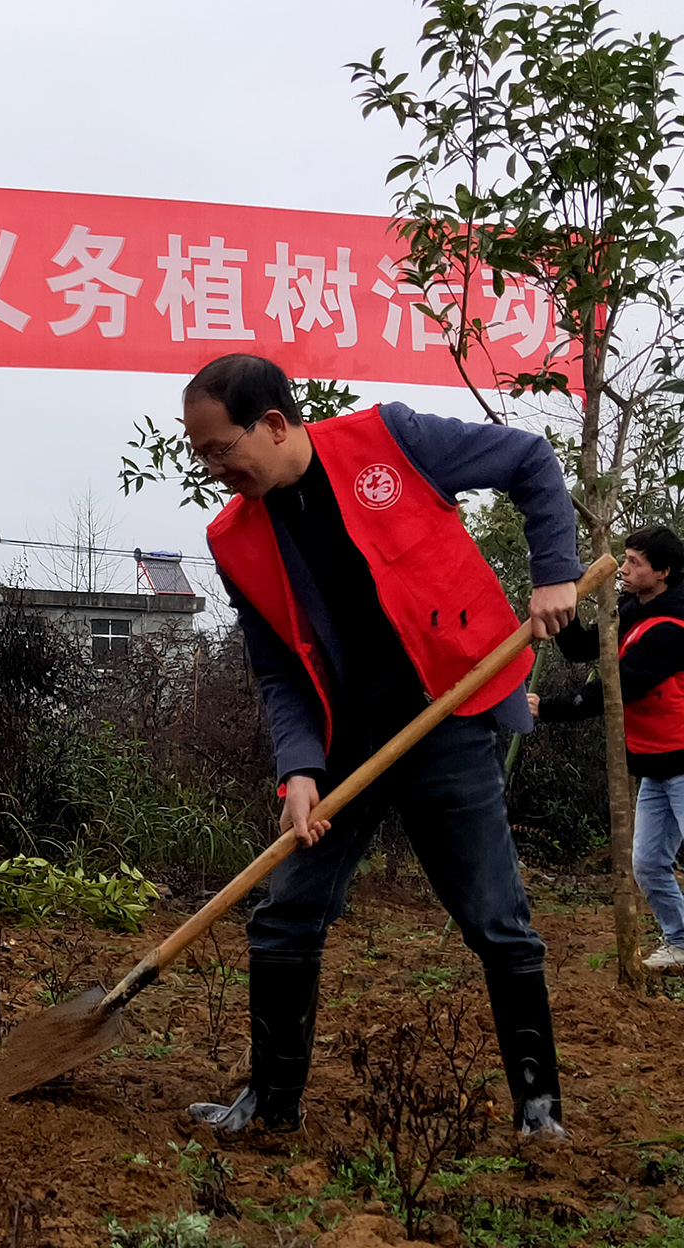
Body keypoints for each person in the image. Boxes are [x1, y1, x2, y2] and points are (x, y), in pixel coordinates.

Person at [183, 353, 581, 1140]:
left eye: (220, 448)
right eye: (200, 455)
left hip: (448, 715)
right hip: (345, 744)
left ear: (272, 423)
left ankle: (540, 1108)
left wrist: (555, 574)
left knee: (496, 920)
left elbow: (530, 460)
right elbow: (279, 670)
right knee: (285, 914)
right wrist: (298, 769)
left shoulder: (390, 441)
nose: (213, 468)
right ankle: (273, 1100)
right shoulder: (234, 539)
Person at [532, 525, 684, 971]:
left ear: (663, 572)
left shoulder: (674, 626)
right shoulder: (631, 609)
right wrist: (565, 604)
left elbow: (620, 688)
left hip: (682, 760)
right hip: (655, 764)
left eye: (635, 562)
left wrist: (551, 708)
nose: (625, 567)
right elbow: (583, 648)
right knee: (649, 864)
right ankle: (680, 941)